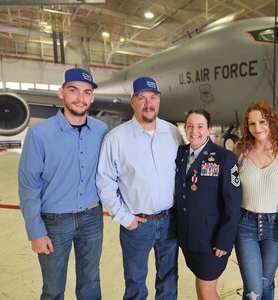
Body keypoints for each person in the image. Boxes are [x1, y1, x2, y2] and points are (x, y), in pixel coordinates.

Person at [18, 67, 108, 300]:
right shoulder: (39, 134)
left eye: (87, 92)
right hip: (54, 222)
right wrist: (35, 232)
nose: (80, 98)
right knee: (53, 288)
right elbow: (29, 186)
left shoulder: (101, 131)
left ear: (92, 97)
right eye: (73, 90)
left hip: (92, 218)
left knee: (91, 283)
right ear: (61, 93)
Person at [96, 76, 184, 300]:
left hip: (169, 221)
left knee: (169, 278)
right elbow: (105, 181)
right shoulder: (116, 138)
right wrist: (124, 217)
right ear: (132, 102)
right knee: (135, 282)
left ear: (159, 101)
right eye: (141, 98)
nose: (148, 103)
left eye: (153, 97)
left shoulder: (173, 133)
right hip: (137, 223)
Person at [174, 108, 242, 300]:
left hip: (211, 240)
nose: (194, 131)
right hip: (188, 237)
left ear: (209, 128)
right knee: (203, 286)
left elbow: (233, 202)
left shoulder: (224, 157)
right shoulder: (180, 154)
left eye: (200, 126)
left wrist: (225, 240)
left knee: (206, 293)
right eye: (190, 125)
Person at [233, 101, 278, 300]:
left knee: (266, 282)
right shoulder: (240, 150)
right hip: (245, 225)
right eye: (251, 124)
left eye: (262, 122)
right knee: (253, 290)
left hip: (274, 226)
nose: (257, 128)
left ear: (271, 122)